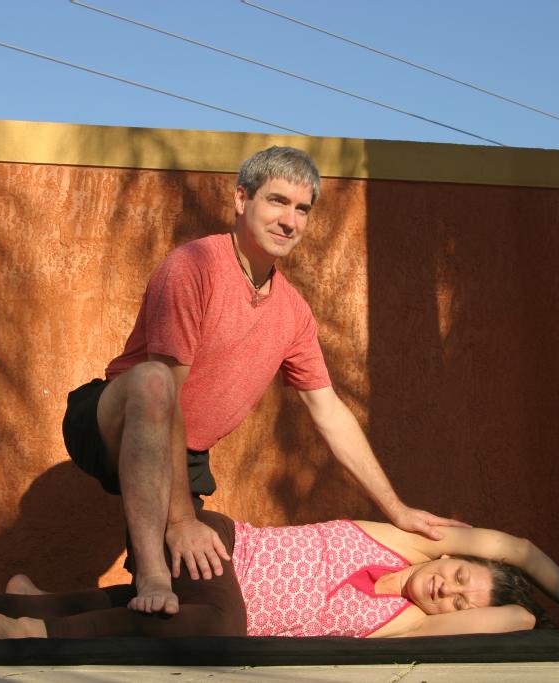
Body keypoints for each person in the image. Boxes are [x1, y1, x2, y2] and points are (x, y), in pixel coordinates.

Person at [62, 146, 466, 615]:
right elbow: (167, 394)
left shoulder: (293, 312)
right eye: (277, 201)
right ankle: (152, 572)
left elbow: (329, 412)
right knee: (154, 382)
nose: (289, 221)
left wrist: (396, 509)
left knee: (192, 599)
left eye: (302, 209)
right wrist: (180, 519)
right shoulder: (194, 266)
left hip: (184, 449)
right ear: (242, 199)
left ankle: (41, 605)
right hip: (112, 418)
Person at [0, 509, 559, 639]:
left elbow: (517, 614)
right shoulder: (405, 538)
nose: (449, 588)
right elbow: (522, 553)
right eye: (461, 573)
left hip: (192, 606)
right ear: (454, 549)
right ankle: (36, 626)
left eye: (460, 598)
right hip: (211, 549)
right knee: (218, 627)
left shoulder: (414, 623)